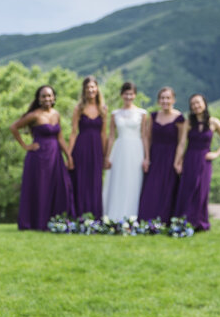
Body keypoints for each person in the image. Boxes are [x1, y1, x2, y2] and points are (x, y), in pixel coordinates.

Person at [9, 85, 75, 230]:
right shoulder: (35, 115)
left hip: (55, 156)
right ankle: (36, 222)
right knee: (41, 188)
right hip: (39, 158)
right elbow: (14, 127)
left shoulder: (56, 114)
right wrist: (26, 146)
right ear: (39, 99)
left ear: (54, 98)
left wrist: (68, 156)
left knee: (62, 186)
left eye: (49, 96)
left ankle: (57, 220)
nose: (47, 99)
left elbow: (60, 137)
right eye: (44, 96)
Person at [173, 93, 220, 231]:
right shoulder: (188, 123)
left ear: (204, 104)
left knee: (202, 191)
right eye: (193, 104)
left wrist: (216, 153)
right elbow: (182, 144)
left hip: (204, 160)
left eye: (198, 103)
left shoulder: (214, 122)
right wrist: (178, 162)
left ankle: (199, 222)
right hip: (190, 158)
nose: (196, 106)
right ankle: (184, 221)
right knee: (187, 189)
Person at [138, 87, 185, 223]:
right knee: (152, 188)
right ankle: (148, 219)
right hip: (155, 155)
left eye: (168, 98)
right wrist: (147, 157)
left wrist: (179, 161)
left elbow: (181, 142)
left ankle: (166, 219)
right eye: (162, 98)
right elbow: (147, 137)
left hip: (171, 156)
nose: (165, 100)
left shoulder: (180, 118)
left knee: (169, 188)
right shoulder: (153, 116)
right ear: (159, 100)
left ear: (173, 100)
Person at [102, 82, 148, 220]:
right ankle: (115, 215)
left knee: (134, 181)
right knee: (118, 180)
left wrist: (147, 157)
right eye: (126, 93)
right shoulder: (115, 114)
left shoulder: (142, 113)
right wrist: (107, 157)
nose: (128, 96)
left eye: (131, 94)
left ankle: (132, 215)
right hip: (120, 149)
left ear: (135, 95)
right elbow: (111, 136)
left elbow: (145, 136)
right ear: (122, 95)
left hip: (136, 150)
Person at [68, 76, 107, 218]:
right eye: (88, 88)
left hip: (96, 149)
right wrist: (69, 155)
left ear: (97, 89)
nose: (91, 90)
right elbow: (73, 132)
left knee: (95, 181)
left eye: (93, 87)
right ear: (84, 91)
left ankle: (95, 216)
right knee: (81, 180)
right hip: (82, 147)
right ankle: (80, 214)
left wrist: (105, 155)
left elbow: (104, 133)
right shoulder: (79, 108)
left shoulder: (103, 109)